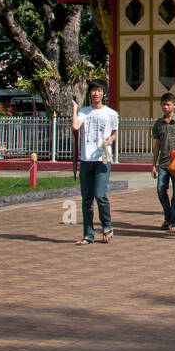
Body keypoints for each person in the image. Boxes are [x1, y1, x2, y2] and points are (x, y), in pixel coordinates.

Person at [71, 81, 118, 245]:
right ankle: (88, 234)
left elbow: (114, 134)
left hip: (102, 160)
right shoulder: (84, 112)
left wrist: (110, 140)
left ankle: (107, 226)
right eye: (93, 91)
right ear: (90, 93)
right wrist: (74, 109)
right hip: (86, 160)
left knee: (100, 195)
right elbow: (75, 126)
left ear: (104, 93)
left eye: (99, 91)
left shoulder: (111, 113)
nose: (96, 94)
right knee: (86, 199)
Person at [151, 92, 175, 231]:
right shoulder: (159, 124)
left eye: (168, 104)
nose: (165, 107)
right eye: (163, 104)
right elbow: (157, 146)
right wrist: (153, 165)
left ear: (174, 105)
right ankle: (168, 216)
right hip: (163, 163)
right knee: (161, 190)